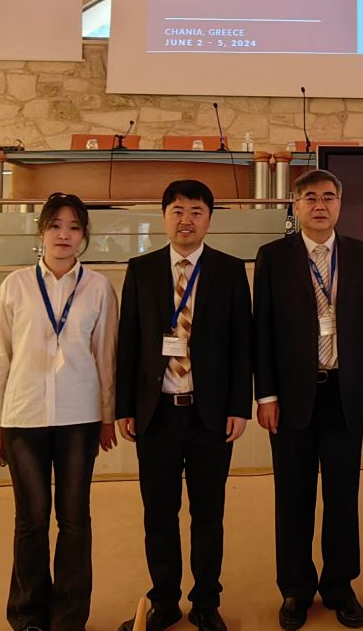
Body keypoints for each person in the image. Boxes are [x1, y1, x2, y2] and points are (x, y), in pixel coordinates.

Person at [116, 180, 254, 631]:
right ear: (164, 217)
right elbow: (129, 342)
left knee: (208, 514)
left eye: (196, 211)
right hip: (155, 413)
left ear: (209, 219)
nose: (186, 220)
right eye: (177, 210)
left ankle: (206, 602)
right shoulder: (141, 269)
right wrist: (124, 406)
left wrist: (239, 406)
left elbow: (242, 344)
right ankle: (164, 601)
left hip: (209, 415)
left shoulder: (229, 270)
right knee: (158, 513)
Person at [254, 169, 363, 630]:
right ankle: (294, 589)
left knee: (342, 495)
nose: (320, 205)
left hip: (344, 393)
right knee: (293, 496)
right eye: (310, 197)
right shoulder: (273, 257)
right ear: (295, 205)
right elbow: (262, 329)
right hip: (291, 397)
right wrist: (266, 394)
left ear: (340, 204)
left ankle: (340, 585)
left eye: (329, 197)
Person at [0, 192, 120, 631]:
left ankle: (69, 617)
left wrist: (107, 416)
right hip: (23, 417)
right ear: (41, 231)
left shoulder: (98, 288)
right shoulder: (15, 285)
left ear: (84, 236)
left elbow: (106, 355)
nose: (64, 235)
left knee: (74, 518)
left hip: (79, 417)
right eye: (56, 225)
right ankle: (28, 616)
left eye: (74, 227)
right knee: (32, 519)